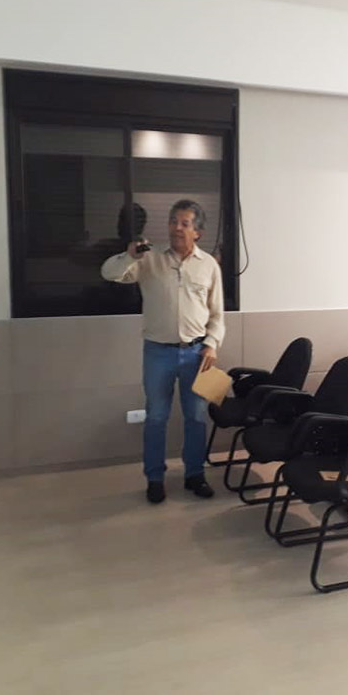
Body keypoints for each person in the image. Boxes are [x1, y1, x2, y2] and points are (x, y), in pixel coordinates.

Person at [101, 199, 225, 503]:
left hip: (197, 354)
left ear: (197, 231)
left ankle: (195, 474)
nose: (176, 228)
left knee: (197, 417)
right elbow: (109, 273)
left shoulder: (209, 265)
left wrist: (212, 344)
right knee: (156, 417)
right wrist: (129, 255)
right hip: (158, 353)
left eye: (184, 223)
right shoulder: (149, 258)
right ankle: (155, 478)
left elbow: (217, 314)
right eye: (173, 222)